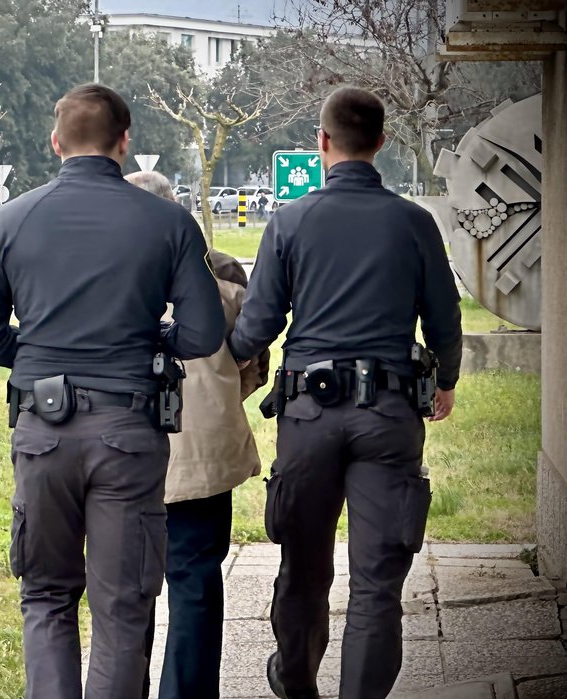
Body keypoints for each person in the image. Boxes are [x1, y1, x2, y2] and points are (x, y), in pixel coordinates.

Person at [0, 84, 225, 699]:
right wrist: (150, 340)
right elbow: (205, 332)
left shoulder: (8, 219)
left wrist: (39, 358)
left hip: (41, 432)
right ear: (125, 143)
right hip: (129, 433)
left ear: (56, 143)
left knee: (47, 595)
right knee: (123, 605)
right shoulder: (169, 223)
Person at [227, 86, 462, 699]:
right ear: (381, 143)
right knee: (378, 580)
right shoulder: (415, 223)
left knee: (303, 566)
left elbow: (257, 325)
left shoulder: (290, 221)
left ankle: (296, 682)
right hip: (390, 415)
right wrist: (447, 380)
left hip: (308, 415)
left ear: (322, 142)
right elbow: (444, 317)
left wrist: (221, 359)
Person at [125, 170, 269, 699]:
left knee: (127, 590)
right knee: (196, 586)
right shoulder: (222, 270)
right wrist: (221, 397)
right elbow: (254, 360)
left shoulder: (99, 267)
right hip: (202, 451)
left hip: (121, 450)